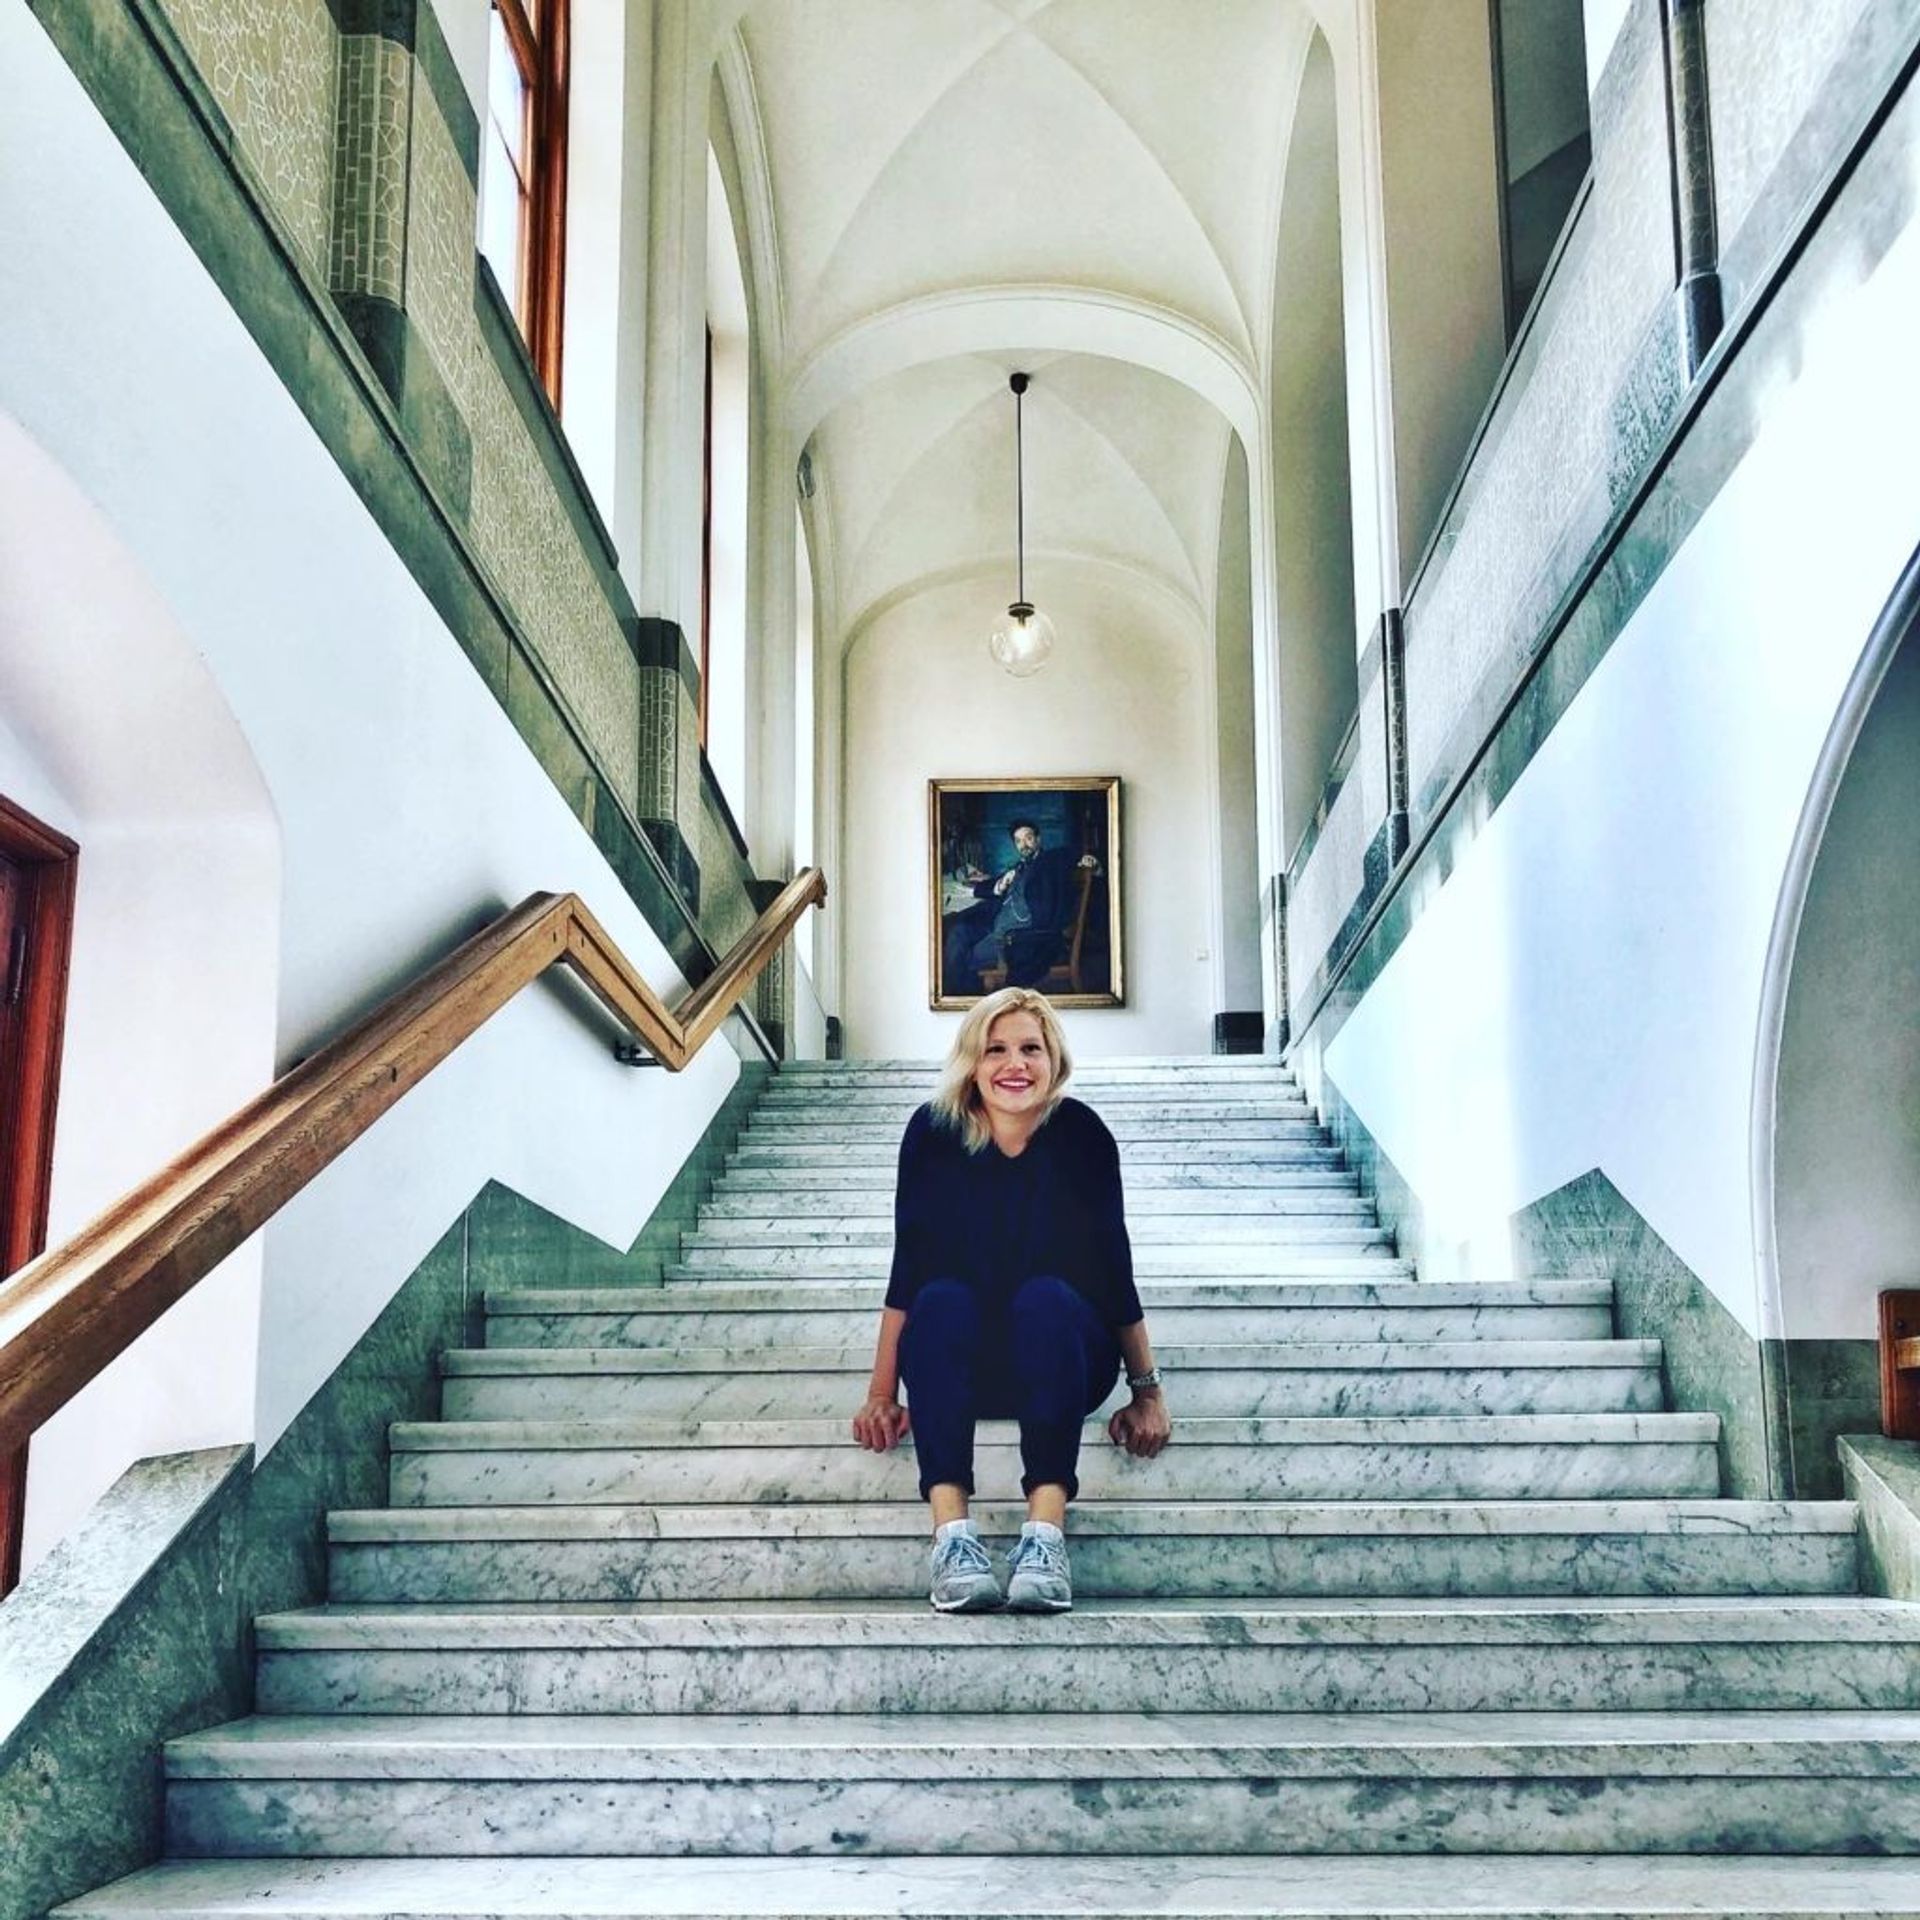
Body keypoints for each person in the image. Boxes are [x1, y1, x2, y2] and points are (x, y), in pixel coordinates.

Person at [850, 987, 1172, 1611]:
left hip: (1061, 1355)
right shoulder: (932, 1134)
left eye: (1031, 1048)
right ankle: (953, 1541)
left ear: (1054, 1061)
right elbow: (908, 1270)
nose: (1014, 1064)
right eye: (995, 1049)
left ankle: (1045, 1540)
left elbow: (1114, 1267)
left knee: (1047, 1299)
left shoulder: (1082, 1135)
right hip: (959, 1360)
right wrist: (882, 1394)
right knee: (943, 1300)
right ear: (971, 1061)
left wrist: (1148, 1392)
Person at [942, 820, 1098, 995]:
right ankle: (960, 996)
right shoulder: (1019, 867)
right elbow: (996, 883)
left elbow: (1073, 855)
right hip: (997, 925)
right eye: (1018, 841)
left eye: (1028, 838)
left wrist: (1087, 859)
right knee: (958, 932)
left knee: (964, 957)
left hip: (1018, 937)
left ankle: (965, 997)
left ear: (1038, 839)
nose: (1024, 845)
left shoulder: (1051, 860)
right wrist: (996, 885)